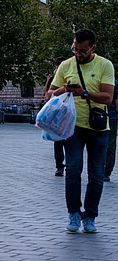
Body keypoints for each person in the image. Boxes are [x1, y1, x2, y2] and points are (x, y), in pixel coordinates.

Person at [49, 28, 115, 233]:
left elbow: (108, 97)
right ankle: (74, 214)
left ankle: (90, 216)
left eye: (82, 51)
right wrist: (64, 89)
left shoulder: (105, 65)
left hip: (97, 127)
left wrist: (84, 93)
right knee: (73, 170)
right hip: (73, 127)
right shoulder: (66, 65)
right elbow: (48, 95)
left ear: (93, 48)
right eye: (75, 49)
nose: (78, 54)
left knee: (96, 174)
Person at [44, 58, 66, 176]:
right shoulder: (53, 79)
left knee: (68, 140)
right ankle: (59, 166)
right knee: (58, 141)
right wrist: (48, 80)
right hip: (57, 112)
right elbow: (46, 95)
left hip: (67, 112)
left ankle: (69, 165)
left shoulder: (70, 76)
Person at [104, 79, 118, 182]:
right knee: (111, 146)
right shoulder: (115, 83)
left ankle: (100, 170)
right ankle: (107, 172)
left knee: (99, 144)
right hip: (112, 116)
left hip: (98, 116)